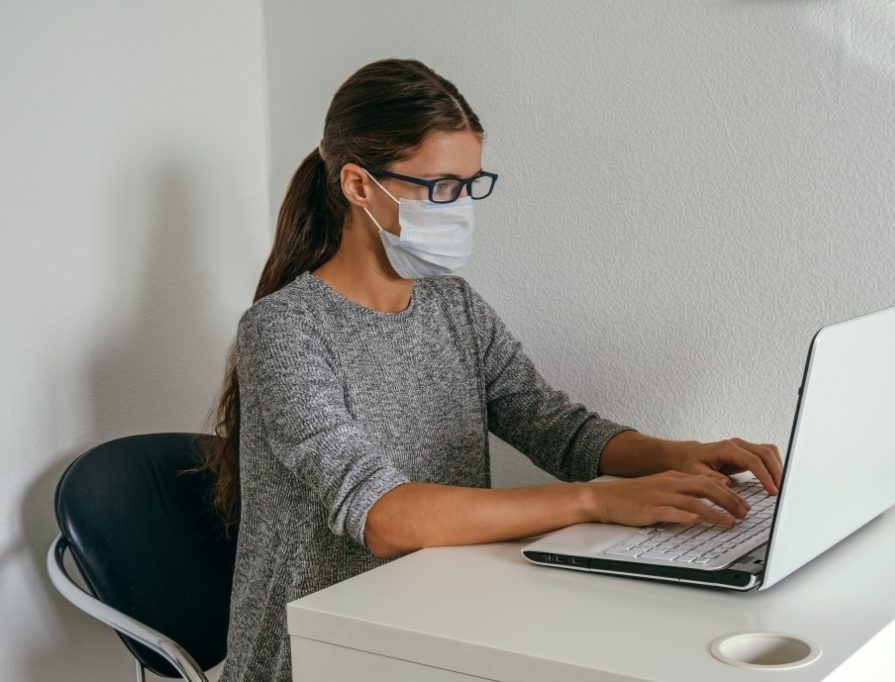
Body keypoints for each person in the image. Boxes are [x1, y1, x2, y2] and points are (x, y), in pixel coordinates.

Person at [194, 57, 783, 682]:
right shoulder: (285, 329)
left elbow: (555, 427)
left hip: (442, 620)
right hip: (321, 650)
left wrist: (682, 455)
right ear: (359, 186)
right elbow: (385, 518)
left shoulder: (455, 306)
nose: (459, 207)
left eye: (471, 185)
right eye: (440, 186)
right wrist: (595, 502)